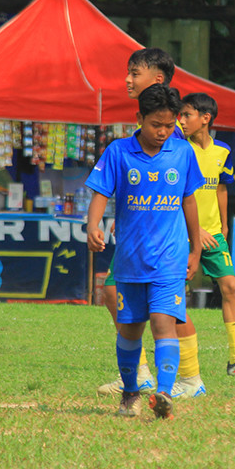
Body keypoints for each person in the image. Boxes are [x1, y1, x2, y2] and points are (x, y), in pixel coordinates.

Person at [85, 84, 204, 419]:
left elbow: (189, 200)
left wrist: (195, 248)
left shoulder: (182, 153)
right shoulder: (119, 152)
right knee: (131, 329)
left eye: (169, 125)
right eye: (155, 125)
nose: (162, 132)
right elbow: (100, 194)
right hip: (130, 260)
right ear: (139, 118)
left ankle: (164, 394)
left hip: (170, 258)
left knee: (163, 324)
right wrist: (93, 225)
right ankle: (129, 394)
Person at [178, 92, 235, 376]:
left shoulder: (223, 152)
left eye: (186, 115)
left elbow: (220, 187)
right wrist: (196, 230)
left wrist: (224, 226)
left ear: (205, 119)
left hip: (213, 235)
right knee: (175, 294)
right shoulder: (178, 150)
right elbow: (175, 194)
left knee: (230, 287)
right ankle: (176, 357)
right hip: (183, 234)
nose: (181, 121)